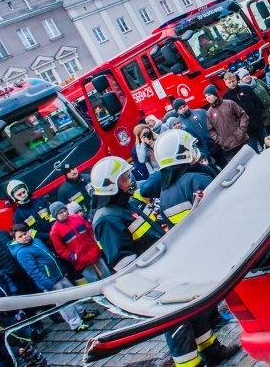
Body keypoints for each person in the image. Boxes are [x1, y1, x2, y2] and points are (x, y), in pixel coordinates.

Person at [89, 157, 239, 367]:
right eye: (124, 178)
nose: (129, 181)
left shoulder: (126, 205)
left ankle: (212, 351)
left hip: (169, 269)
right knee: (177, 323)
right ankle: (189, 364)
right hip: (154, 280)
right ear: (110, 186)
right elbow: (123, 263)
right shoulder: (107, 219)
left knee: (194, 309)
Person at [9, 224, 95, 331]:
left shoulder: (36, 241)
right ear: (15, 239)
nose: (24, 237)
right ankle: (76, 324)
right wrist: (48, 284)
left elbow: (51, 256)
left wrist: (62, 269)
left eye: (25, 233)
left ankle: (82, 313)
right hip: (50, 281)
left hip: (59, 274)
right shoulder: (22, 252)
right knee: (64, 304)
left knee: (72, 295)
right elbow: (33, 271)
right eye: (20, 236)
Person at [49, 202, 111, 283]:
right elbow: (60, 250)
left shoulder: (77, 218)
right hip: (81, 261)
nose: (64, 213)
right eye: (60, 213)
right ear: (55, 216)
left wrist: (93, 242)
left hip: (94, 253)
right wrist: (72, 256)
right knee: (95, 282)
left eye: (65, 210)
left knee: (108, 275)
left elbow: (89, 230)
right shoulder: (55, 231)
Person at [203, 85, 250, 162]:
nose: (208, 98)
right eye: (206, 96)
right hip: (229, 147)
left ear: (215, 93)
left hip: (243, 140)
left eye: (209, 95)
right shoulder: (209, 113)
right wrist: (220, 141)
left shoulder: (229, 103)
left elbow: (243, 116)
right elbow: (211, 130)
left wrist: (241, 130)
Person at [174, 98, 224, 168]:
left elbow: (214, 124)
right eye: (180, 108)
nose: (183, 109)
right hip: (201, 153)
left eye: (184, 106)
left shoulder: (200, 112)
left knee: (225, 164)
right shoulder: (179, 123)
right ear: (177, 111)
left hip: (213, 145)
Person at [6, 181, 52, 246]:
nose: (23, 195)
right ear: (13, 198)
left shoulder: (42, 201)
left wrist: (54, 232)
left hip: (57, 232)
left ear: (27, 190)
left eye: (23, 192)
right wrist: (47, 236)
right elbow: (26, 232)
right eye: (19, 194)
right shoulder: (17, 216)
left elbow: (52, 216)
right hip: (42, 243)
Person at [236, 68, 270, 134]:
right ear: (241, 79)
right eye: (244, 76)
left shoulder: (258, 81)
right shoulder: (243, 90)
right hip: (263, 117)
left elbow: (269, 90)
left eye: (247, 74)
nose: (247, 77)